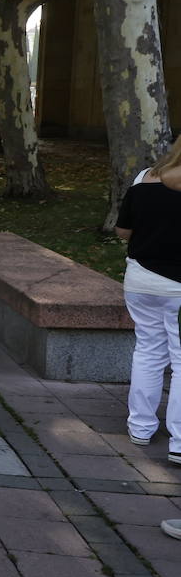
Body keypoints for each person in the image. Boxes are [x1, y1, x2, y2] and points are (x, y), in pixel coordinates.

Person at [114, 136, 181, 461]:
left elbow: (123, 231)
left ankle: (140, 428)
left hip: (141, 278)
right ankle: (180, 442)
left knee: (149, 351)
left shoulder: (144, 178)